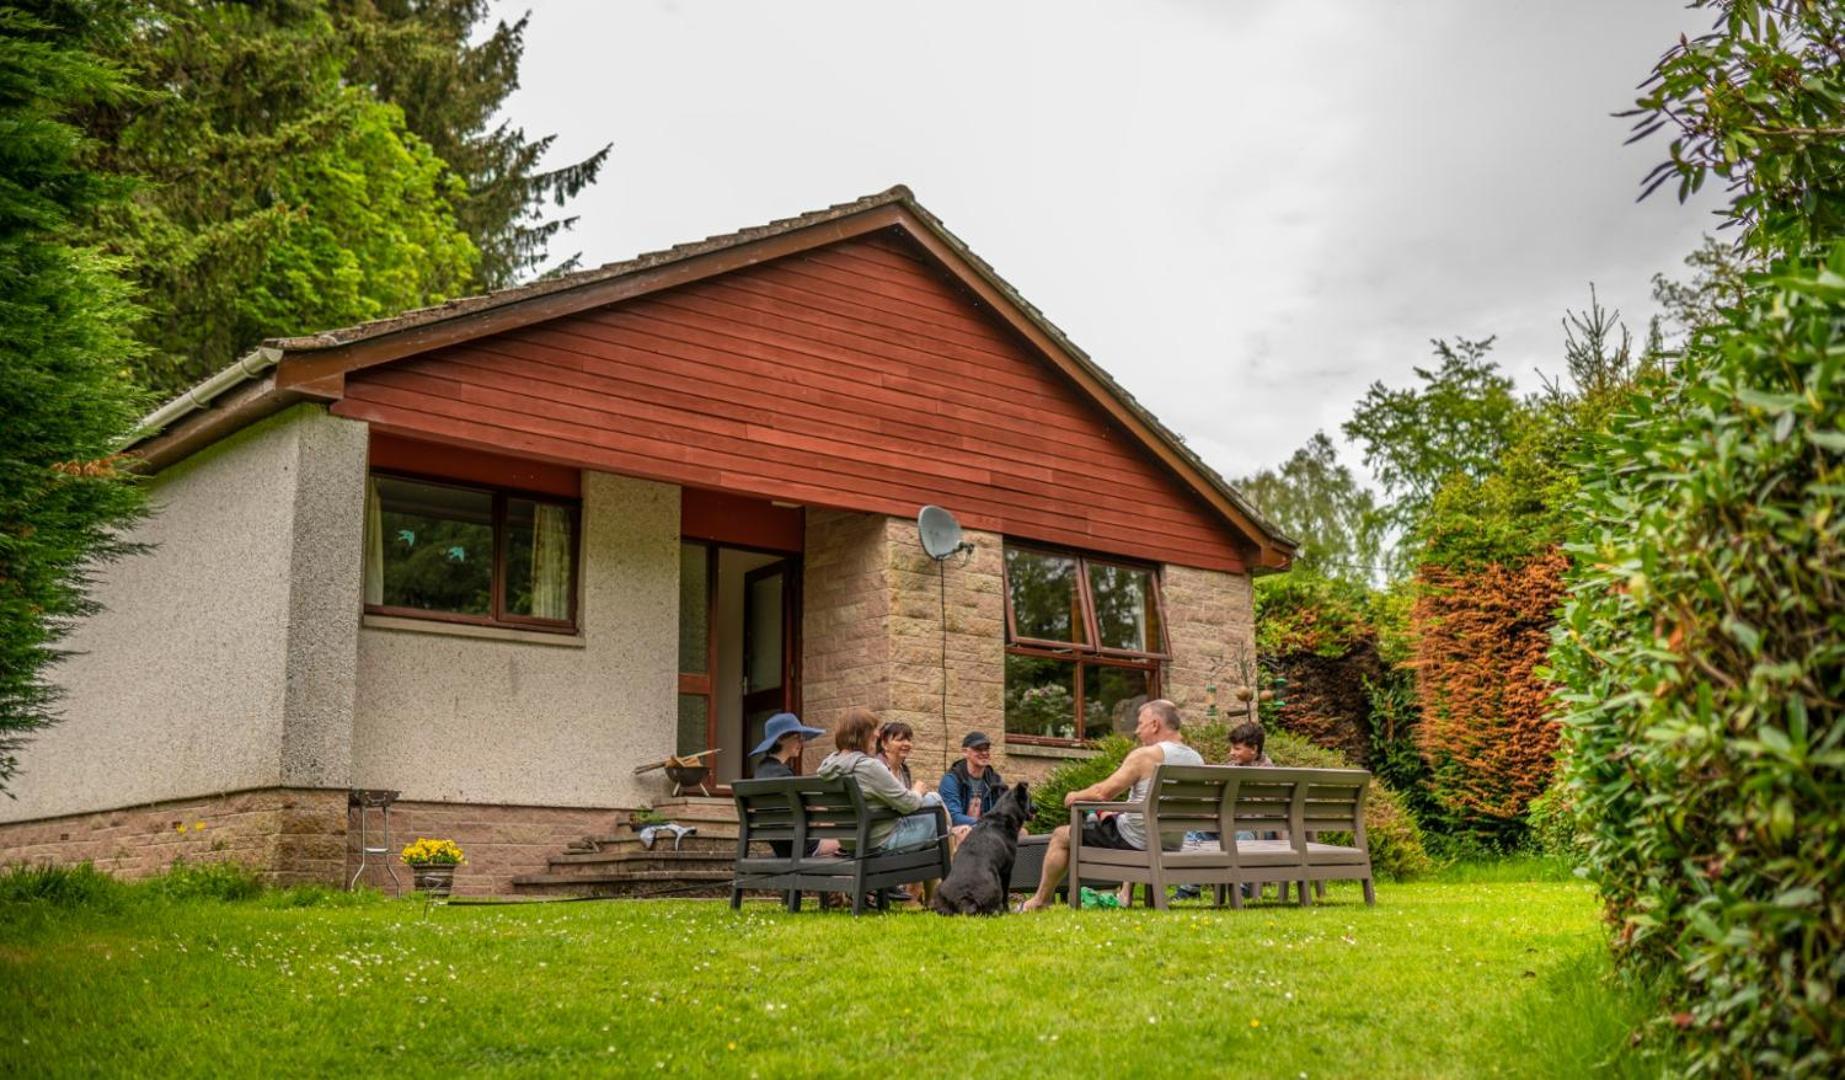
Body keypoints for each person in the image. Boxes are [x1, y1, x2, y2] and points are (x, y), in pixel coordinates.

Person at [1018, 699, 1203, 912]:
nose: (1137, 730)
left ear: (1155, 724)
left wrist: (1075, 795)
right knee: (1109, 816)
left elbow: (1102, 792)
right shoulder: (1196, 759)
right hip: (1171, 841)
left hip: (1136, 839)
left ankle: (1039, 901)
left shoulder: (1146, 755)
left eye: (1140, 723)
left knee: (1061, 835)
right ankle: (1125, 895)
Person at [815, 707, 945, 853]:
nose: (877, 734)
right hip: (879, 843)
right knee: (934, 800)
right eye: (873, 729)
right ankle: (946, 864)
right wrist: (917, 791)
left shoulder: (827, 769)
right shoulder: (868, 766)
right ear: (862, 734)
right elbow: (908, 804)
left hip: (850, 843)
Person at [1174, 719, 1274, 901]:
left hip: (1257, 831)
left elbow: (1262, 812)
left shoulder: (1267, 772)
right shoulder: (1230, 768)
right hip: (1227, 826)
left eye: (1237, 749)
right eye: (1232, 748)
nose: (1231, 753)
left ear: (1254, 749)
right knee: (1195, 833)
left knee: (1243, 835)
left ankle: (1241, 889)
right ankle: (1189, 889)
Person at [748, 712, 840, 860]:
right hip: (799, 846)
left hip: (782, 846)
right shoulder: (784, 776)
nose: (801, 743)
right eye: (797, 737)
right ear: (780, 739)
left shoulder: (760, 772)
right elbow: (807, 812)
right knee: (852, 843)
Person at [939, 731, 1008, 830]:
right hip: (960, 831)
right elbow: (953, 817)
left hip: (988, 830)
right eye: (978, 749)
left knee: (1022, 833)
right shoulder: (952, 779)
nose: (984, 753)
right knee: (965, 830)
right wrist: (986, 823)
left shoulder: (994, 779)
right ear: (965, 752)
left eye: (986, 749)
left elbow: (1006, 807)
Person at [874, 720, 917, 791]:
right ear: (884, 744)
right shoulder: (877, 766)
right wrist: (916, 792)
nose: (907, 744)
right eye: (900, 740)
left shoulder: (904, 769)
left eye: (909, 740)